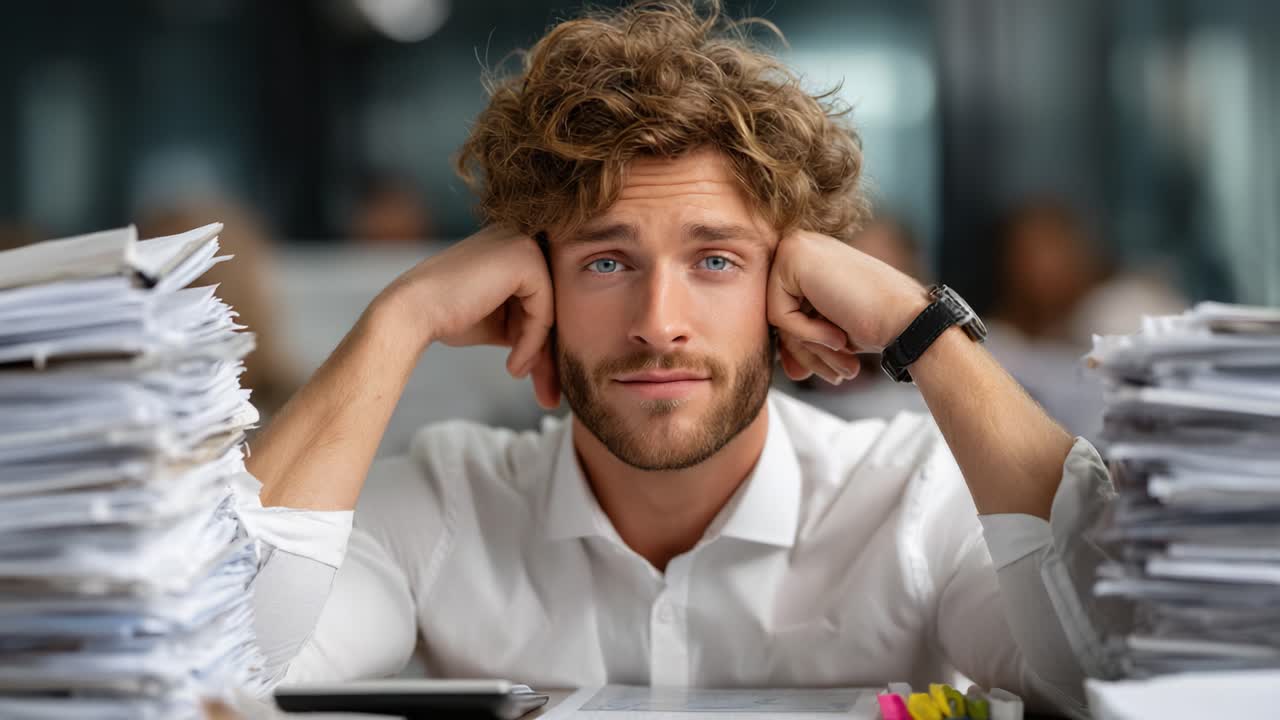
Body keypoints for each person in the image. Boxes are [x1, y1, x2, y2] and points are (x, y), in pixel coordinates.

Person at [239, 2, 1113, 716]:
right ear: (531, 291)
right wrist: (400, 317)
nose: (659, 324)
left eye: (716, 260)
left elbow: (1102, 677)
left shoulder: (913, 499)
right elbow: (214, 673)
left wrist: (915, 323)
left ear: (792, 292)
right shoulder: (441, 503)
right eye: (606, 262)